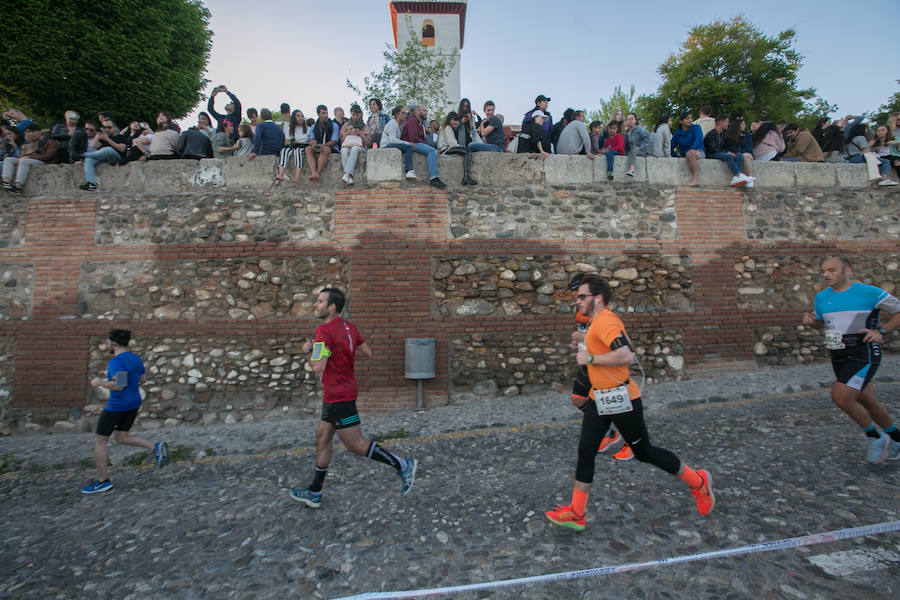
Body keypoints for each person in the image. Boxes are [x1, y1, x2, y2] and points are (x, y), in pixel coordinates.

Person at [544, 276, 714, 531]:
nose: (577, 300)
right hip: (599, 397)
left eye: (581, 296)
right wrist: (584, 345)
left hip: (622, 399)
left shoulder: (606, 321)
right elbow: (615, 347)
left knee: (645, 452)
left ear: (597, 298)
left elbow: (627, 355)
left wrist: (589, 356)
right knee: (585, 451)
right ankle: (577, 513)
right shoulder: (596, 323)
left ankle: (698, 481)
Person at [289, 288, 418, 508]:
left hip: (340, 396)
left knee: (355, 444)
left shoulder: (324, 332)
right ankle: (315, 492)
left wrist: (308, 351)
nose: (315, 305)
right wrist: (338, 352)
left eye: (319, 302)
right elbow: (367, 351)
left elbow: (318, 366)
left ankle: (403, 465)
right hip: (337, 393)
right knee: (322, 436)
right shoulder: (350, 328)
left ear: (331, 307)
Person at [801, 257, 900, 464]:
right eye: (823, 271)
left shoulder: (869, 292)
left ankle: (875, 437)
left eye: (832, 270)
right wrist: (813, 323)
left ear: (847, 271)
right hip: (837, 353)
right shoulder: (821, 297)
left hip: (863, 352)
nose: (826, 274)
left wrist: (881, 331)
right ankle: (897, 440)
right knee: (867, 401)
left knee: (842, 397)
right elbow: (823, 324)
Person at [81, 329, 168, 494]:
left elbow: (119, 385)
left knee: (100, 441)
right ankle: (155, 447)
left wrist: (99, 382)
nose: (106, 344)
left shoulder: (116, 362)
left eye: (107, 342)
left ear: (113, 343)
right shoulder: (135, 358)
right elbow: (141, 379)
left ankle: (102, 481)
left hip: (117, 405)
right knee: (122, 437)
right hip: (133, 403)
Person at [566, 274, 631, 461]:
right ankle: (610, 434)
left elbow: (609, 343)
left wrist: (584, 340)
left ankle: (631, 442)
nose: (575, 297)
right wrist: (578, 342)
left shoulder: (602, 313)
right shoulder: (581, 310)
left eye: (578, 293)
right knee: (578, 400)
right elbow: (587, 335)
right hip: (589, 364)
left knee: (615, 405)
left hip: (602, 364)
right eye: (574, 293)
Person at [1, 123, 60, 193]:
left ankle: (18, 186)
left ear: (39, 132)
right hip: (33, 160)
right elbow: (22, 155)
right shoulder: (33, 143)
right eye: (28, 132)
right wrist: (27, 147)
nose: (30, 134)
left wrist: (30, 156)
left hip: (46, 162)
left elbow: (48, 156)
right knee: (9, 159)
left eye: (32, 131)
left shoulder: (51, 142)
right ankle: (6, 181)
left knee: (24, 161)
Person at [78, 117, 133, 191]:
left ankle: (84, 155)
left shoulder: (121, 137)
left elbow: (121, 149)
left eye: (109, 127)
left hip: (117, 158)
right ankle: (91, 183)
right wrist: (99, 133)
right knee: (88, 160)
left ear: (115, 128)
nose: (107, 129)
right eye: (105, 127)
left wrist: (107, 139)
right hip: (105, 158)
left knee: (108, 149)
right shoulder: (104, 137)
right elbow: (93, 145)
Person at [401, 104, 447, 188]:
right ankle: (433, 178)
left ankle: (437, 176)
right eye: (424, 110)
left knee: (435, 151)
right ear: (418, 112)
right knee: (431, 150)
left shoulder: (419, 123)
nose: (426, 112)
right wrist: (425, 145)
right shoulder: (412, 121)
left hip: (416, 143)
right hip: (411, 144)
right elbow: (413, 138)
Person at [461, 100, 505, 185]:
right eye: (488, 110)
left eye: (492, 110)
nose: (490, 112)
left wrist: (481, 123)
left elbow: (483, 133)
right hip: (492, 146)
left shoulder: (495, 120)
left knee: (470, 145)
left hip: (497, 148)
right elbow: (485, 139)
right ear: (484, 111)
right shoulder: (488, 122)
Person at [704, 114, 754, 187]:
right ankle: (738, 174)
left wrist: (729, 151)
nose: (728, 124)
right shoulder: (711, 134)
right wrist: (727, 152)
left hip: (721, 152)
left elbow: (725, 146)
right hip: (712, 153)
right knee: (729, 157)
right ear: (721, 122)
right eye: (727, 122)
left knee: (739, 155)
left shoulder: (724, 134)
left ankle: (738, 177)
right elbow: (712, 149)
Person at [305, 105, 339, 182]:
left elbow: (334, 141)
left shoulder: (334, 125)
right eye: (323, 113)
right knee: (308, 149)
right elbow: (311, 139)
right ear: (318, 114)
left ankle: (317, 172)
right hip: (318, 146)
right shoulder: (314, 126)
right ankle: (313, 172)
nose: (326, 115)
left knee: (325, 149)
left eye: (326, 113)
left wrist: (323, 145)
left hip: (330, 147)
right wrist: (314, 144)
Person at [381, 106, 417, 180]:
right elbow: (392, 140)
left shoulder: (399, 125)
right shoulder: (392, 123)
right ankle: (409, 170)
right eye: (403, 113)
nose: (405, 115)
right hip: (386, 146)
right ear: (397, 114)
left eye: (405, 113)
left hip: (391, 145)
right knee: (408, 147)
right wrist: (407, 143)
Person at [339, 105, 371, 185]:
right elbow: (341, 140)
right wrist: (348, 132)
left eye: (357, 115)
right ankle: (349, 178)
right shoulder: (346, 125)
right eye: (354, 115)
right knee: (344, 150)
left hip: (361, 147)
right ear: (351, 114)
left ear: (360, 114)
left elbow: (368, 142)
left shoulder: (365, 126)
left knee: (355, 149)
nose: (355, 117)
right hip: (347, 145)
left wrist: (360, 134)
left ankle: (346, 174)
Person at [670, 111, 704, 186]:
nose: (690, 120)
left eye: (691, 118)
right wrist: (676, 156)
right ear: (681, 121)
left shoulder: (696, 128)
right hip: (684, 154)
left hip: (698, 151)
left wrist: (693, 149)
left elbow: (698, 139)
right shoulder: (678, 133)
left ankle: (695, 179)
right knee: (688, 154)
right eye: (687, 118)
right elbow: (671, 146)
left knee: (690, 153)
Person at [277, 110, 309, 183]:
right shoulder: (290, 129)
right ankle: (281, 173)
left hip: (302, 146)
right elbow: (286, 141)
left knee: (298, 152)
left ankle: (297, 176)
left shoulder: (308, 129)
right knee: (284, 151)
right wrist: (293, 143)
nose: (301, 118)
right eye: (298, 116)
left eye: (302, 116)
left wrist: (299, 142)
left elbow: (309, 141)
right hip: (292, 146)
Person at [622, 112, 650, 177]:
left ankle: (632, 170)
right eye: (628, 119)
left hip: (643, 150)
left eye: (632, 119)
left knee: (633, 151)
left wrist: (640, 147)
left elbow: (649, 139)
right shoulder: (627, 133)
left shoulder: (640, 130)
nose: (630, 121)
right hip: (632, 151)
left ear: (635, 121)